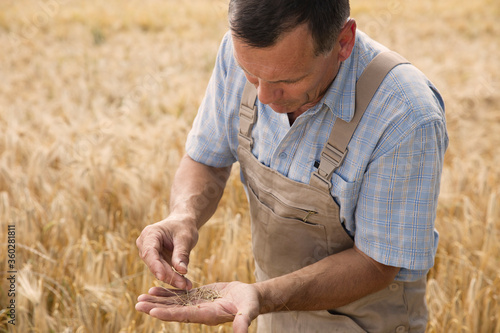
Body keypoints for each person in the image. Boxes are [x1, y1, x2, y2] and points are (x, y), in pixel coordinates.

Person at [135, 1, 448, 332]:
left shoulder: (406, 114)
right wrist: (183, 215)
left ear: (343, 42)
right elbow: (206, 159)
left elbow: (375, 264)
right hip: (267, 315)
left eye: (288, 79)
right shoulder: (239, 51)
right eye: (251, 77)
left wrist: (260, 296)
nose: (266, 97)